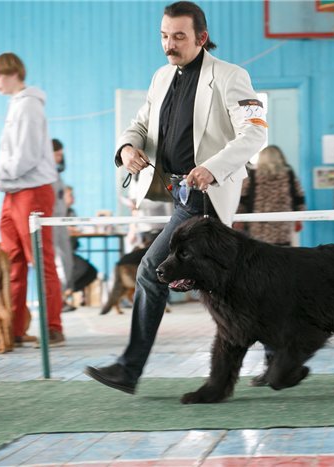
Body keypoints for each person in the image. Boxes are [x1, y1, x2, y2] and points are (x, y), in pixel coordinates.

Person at [85, 1, 267, 394]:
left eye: (179, 37)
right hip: (178, 195)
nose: (169, 44)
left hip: (206, 196)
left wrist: (213, 167)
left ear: (202, 38)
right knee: (232, 286)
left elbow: (254, 134)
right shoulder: (160, 78)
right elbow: (138, 124)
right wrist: (127, 149)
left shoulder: (231, 76)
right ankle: (277, 355)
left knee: (152, 272)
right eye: (165, 36)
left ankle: (129, 370)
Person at [0, 52, 65, 347]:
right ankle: (11, 328)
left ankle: (53, 327)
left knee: (39, 260)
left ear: (13, 73)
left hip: (33, 191)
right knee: (10, 262)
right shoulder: (16, 106)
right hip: (13, 192)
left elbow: (24, 159)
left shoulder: (28, 106)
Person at [237, 145, 305, 387]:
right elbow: (300, 201)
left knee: (263, 307)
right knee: (285, 305)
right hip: (283, 247)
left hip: (259, 248)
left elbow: (241, 204)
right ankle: (286, 361)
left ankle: (272, 363)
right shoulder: (288, 174)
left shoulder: (252, 176)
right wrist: (297, 219)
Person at [238, 145, 306, 246]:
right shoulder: (289, 174)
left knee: (259, 255)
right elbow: (299, 198)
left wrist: (239, 219)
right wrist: (300, 219)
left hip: (258, 226)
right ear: (280, 157)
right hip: (283, 224)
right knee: (282, 254)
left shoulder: (252, 176)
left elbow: (242, 200)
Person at [62, 185, 98, 306]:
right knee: (80, 267)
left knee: (92, 272)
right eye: (70, 195)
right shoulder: (56, 210)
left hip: (70, 250)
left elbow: (75, 228)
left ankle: (66, 294)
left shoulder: (71, 211)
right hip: (60, 252)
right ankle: (62, 297)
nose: (73, 198)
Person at [50, 139, 75, 310]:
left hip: (60, 221)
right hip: (50, 222)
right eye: (57, 155)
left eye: (61, 155)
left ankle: (62, 297)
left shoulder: (56, 174)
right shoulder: (43, 174)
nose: (60, 158)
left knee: (66, 261)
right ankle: (55, 301)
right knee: (56, 262)